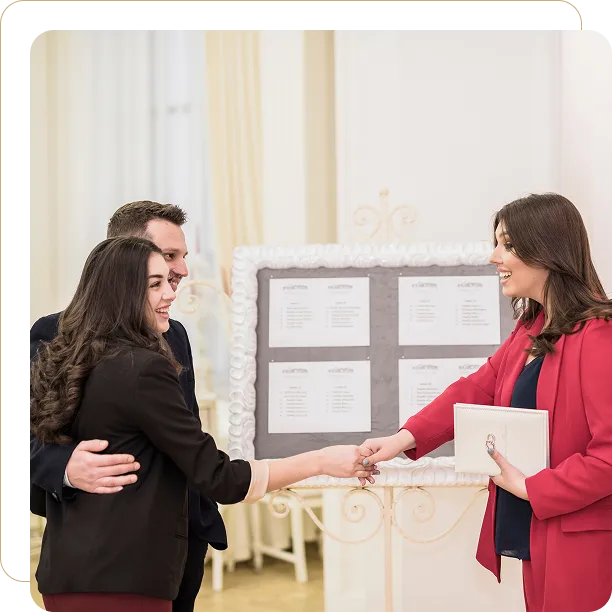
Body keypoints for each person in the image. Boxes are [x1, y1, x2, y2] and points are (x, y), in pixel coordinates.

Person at [31, 236, 376, 612]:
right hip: (122, 581)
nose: (170, 294)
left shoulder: (69, 357)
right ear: (122, 293)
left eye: (168, 281)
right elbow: (219, 478)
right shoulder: (143, 369)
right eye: (155, 284)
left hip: (65, 575)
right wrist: (321, 461)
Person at [358, 193, 612, 612]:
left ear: (547, 249)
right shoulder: (532, 327)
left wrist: (532, 487)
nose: (494, 256)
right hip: (540, 530)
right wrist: (402, 439)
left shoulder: (599, 335)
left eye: (507, 244)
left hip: (584, 541)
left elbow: (608, 457)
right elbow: (476, 388)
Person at [29, 201, 220, 612]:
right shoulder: (51, 333)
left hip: (182, 537)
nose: (183, 269)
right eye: (169, 256)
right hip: (105, 552)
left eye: (182, 256)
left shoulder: (175, 333)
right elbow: (23, 436)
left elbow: (185, 433)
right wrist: (65, 465)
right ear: (126, 258)